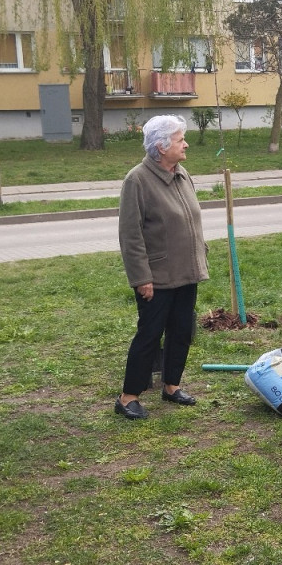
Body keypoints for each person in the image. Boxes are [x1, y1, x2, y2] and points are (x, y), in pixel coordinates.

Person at [115, 115, 209, 420]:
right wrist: (141, 277)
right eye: (180, 140)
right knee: (150, 335)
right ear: (161, 147)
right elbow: (131, 236)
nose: (186, 144)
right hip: (156, 278)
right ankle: (128, 397)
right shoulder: (137, 180)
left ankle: (171, 387)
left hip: (186, 272)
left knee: (182, 331)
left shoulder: (182, 174)